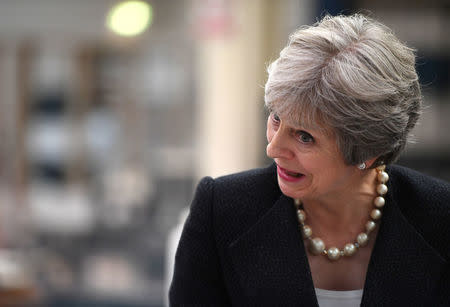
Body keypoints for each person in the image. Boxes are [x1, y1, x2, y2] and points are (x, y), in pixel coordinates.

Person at [169, 14, 450, 306]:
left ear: (368, 150)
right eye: (276, 118)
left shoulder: (441, 219)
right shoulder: (220, 213)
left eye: (304, 137)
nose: (274, 149)